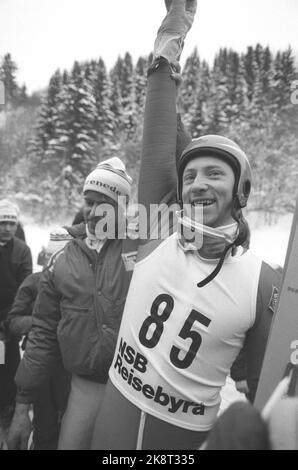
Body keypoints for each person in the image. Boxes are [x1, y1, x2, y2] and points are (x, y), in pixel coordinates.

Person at [91, 0, 281, 450]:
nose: (197, 184)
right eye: (190, 175)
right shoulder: (157, 226)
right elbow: (157, 123)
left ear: (241, 193)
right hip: (110, 430)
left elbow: (269, 392)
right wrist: (174, 28)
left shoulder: (262, 281)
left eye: (215, 174)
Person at [7, 157, 139, 450]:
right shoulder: (63, 259)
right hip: (84, 385)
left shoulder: (141, 247)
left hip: (134, 389)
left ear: (123, 206)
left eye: (104, 202)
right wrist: (21, 406)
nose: (93, 212)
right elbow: (42, 334)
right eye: (88, 202)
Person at [6, 228, 73, 449]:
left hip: (68, 365)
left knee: (68, 421)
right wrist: (40, 323)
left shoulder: (77, 286)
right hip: (38, 363)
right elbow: (13, 321)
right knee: (44, 422)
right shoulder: (32, 282)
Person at [0, 199, 32, 427]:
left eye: (11, 223)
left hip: (9, 317)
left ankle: (8, 404)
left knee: (9, 362)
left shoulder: (22, 249)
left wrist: (10, 320)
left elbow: (25, 289)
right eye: (3, 222)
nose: (7, 228)